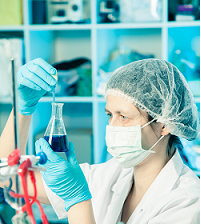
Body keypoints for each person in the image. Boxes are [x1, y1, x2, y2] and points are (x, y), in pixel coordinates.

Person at [0, 58, 199, 224]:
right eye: (109, 115)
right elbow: (9, 177)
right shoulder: (109, 176)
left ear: (164, 124)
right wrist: (22, 110)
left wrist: (77, 200)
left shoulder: (187, 202)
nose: (112, 126)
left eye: (123, 116)